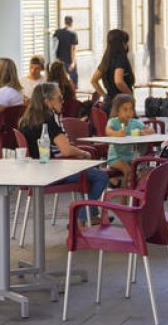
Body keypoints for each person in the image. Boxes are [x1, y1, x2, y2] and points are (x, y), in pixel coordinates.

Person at [17, 83, 109, 224]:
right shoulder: (47, 121)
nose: (63, 101)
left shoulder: (24, 121)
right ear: (47, 101)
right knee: (101, 176)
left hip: (33, 173)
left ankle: (91, 215)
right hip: (52, 174)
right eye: (59, 98)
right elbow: (66, 149)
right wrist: (84, 153)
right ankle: (82, 217)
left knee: (89, 175)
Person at [104, 93, 144, 188]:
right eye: (125, 109)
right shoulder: (114, 121)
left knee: (138, 173)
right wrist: (116, 134)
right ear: (117, 111)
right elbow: (107, 130)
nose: (129, 112)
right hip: (115, 158)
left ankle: (131, 195)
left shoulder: (135, 122)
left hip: (130, 157)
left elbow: (150, 130)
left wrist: (143, 132)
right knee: (129, 171)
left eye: (131, 109)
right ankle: (125, 197)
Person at [91, 29, 135, 113]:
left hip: (109, 104)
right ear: (122, 44)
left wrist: (105, 96)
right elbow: (118, 81)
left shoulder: (106, 59)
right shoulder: (121, 59)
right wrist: (130, 96)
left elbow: (94, 80)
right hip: (122, 106)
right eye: (126, 42)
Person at [52, 16, 80, 85]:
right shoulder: (73, 34)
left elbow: (53, 42)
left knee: (61, 81)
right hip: (69, 62)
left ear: (64, 22)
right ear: (71, 23)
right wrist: (73, 62)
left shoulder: (58, 32)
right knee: (72, 82)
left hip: (59, 61)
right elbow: (73, 49)